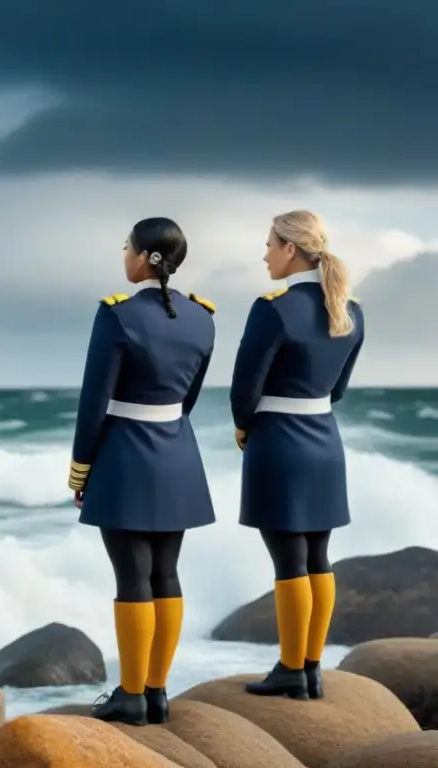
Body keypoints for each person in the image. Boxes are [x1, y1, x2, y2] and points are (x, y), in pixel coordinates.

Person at [70, 217, 216, 727]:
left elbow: (94, 401)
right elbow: (189, 399)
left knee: (131, 575)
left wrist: (80, 468)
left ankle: (130, 695)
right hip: (177, 453)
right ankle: (157, 692)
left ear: (147, 258)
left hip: (125, 456)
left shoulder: (117, 316)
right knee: (166, 572)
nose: (123, 253)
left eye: (127, 246)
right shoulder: (203, 318)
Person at [232, 210, 364, 702]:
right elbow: (341, 388)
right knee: (318, 557)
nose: (264, 253)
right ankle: (312, 668)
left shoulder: (273, 308)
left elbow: (245, 386)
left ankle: (290, 668)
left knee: (289, 560)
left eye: (269, 244)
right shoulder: (352, 308)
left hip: (279, 440)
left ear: (290, 249)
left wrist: (244, 427)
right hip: (325, 442)